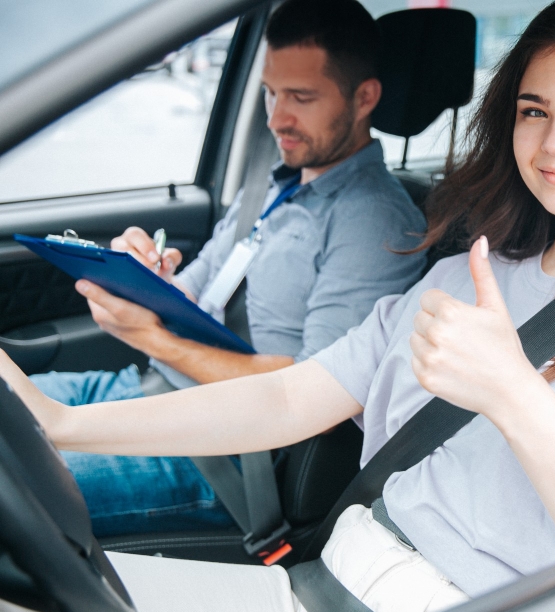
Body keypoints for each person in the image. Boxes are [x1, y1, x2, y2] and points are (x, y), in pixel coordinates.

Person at [0, 0, 555, 612]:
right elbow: (290, 399)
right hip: (315, 599)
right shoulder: (464, 272)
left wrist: (514, 394)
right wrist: (63, 424)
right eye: (535, 110)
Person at [27, 0, 428, 536]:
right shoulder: (272, 184)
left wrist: (154, 339)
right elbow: (192, 296)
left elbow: (311, 390)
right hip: (146, 392)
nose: (275, 117)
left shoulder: (374, 222)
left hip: (224, 455)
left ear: (364, 98)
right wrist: (147, 279)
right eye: (271, 92)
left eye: (301, 98)